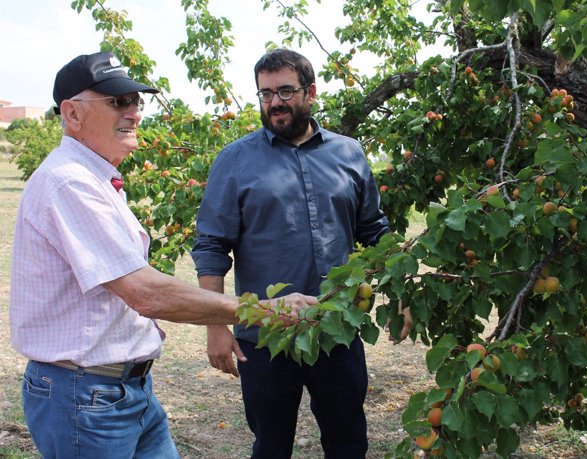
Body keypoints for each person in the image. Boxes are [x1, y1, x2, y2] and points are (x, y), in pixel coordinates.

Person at [9, 51, 317, 459]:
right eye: (118, 102)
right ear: (72, 113)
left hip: (121, 392)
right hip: (85, 399)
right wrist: (263, 310)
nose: (134, 112)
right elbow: (144, 292)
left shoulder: (96, 179)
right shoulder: (69, 184)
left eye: (137, 101)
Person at [191, 48, 411, 458]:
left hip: (337, 329)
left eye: (285, 91)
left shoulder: (349, 153)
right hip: (265, 334)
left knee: (348, 442)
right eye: (265, 93)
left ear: (310, 92)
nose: (274, 102)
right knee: (271, 446)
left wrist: (399, 297)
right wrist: (216, 324)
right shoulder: (234, 161)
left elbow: (375, 230)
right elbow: (211, 245)